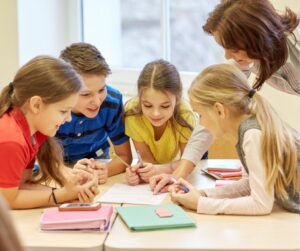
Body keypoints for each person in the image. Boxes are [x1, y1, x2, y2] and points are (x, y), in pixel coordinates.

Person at [150, 0, 300, 193]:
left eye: (234, 49)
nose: (228, 56)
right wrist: (180, 173)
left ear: (257, 36)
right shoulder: (250, 59)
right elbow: (213, 109)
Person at [170, 64, 300, 215]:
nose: (201, 123)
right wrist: (204, 194)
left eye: (201, 115)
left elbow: (261, 204)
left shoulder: (252, 134)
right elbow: (250, 185)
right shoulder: (247, 128)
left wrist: (201, 204)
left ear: (219, 110)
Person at [0, 56, 99, 209]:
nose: (68, 119)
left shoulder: (34, 131)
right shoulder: (11, 140)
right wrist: (61, 195)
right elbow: (8, 201)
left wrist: (71, 194)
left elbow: (23, 185)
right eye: (63, 111)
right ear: (36, 105)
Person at [57, 43, 132, 184]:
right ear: (64, 89)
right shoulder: (51, 107)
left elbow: (124, 157)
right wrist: (71, 173)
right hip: (55, 166)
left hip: (98, 160)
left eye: (102, 90)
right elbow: (43, 161)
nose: (97, 102)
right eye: (86, 94)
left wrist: (105, 171)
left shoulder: (112, 102)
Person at [124, 59, 197, 185]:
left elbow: (188, 162)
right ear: (140, 99)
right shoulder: (132, 113)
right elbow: (147, 160)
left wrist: (159, 169)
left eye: (165, 106)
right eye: (147, 105)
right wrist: (140, 172)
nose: (155, 114)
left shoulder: (185, 116)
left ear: (177, 99)